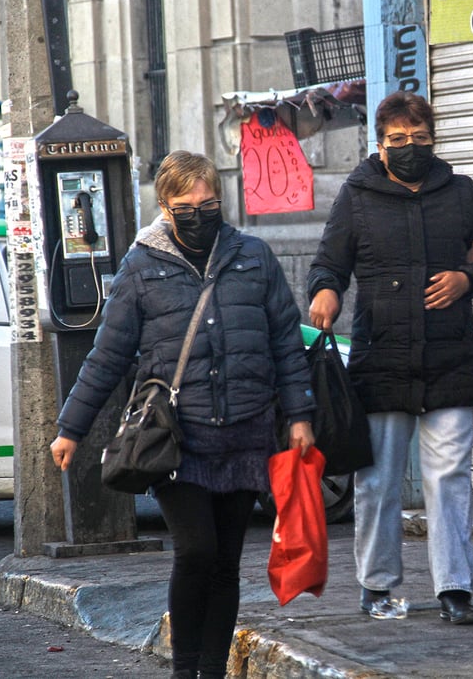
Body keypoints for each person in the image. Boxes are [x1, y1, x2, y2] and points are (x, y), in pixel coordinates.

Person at [49, 150, 316, 678]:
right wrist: (70, 429)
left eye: (208, 200)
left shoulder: (253, 257)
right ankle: (183, 669)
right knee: (195, 551)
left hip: (245, 434)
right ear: (165, 207)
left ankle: (211, 670)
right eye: (186, 203)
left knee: (225, 563)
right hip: (177, 439)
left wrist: (300, 414)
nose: (199, 210)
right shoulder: (141, 268)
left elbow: (287, 341)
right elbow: (107, 355)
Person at [307, 91, 473, 625]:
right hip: (381, 358)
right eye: (398, 140)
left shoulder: (461, 192)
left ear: (433, 140)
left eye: (420, 139)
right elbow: (328, 263)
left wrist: (469, 277)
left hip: (450, 357)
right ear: (380, 143)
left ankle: (455, 589)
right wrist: (326, 291)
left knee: (449, 477)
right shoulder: (356, 194)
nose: (410, 148)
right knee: (376, 480)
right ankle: (377, 585)